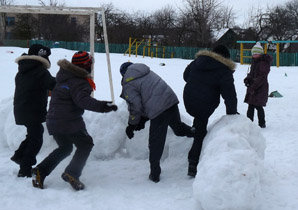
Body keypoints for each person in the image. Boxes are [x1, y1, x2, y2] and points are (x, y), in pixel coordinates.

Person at [32, 51, 118, 190]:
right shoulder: (79, 82)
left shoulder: (64, 77)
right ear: (86, 66)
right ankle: (71, 173)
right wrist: (104, 106)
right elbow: (83, 101)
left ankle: (40, 170)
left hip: (53, 120)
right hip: (68, 121)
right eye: (90, 65)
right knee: (86, 144)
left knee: (65, 148)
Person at [120, 62, 195, 183]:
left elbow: (136, 106)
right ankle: (197, 133)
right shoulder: (147, 72)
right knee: (178, 128)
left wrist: (132, 125)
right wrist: (143, 119)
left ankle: (154, 174)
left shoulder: (129, 82)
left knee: (155, 143)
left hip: (159, 111)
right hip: (171, 102)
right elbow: (149, 96)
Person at [183, 45, 238, 177]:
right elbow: (229, 95)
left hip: (189, 99)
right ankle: (193, 162)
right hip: (205, 103)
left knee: (198, 122)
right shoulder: (224, 70)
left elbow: (186, 76)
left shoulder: (198, 61)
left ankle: (194, 131)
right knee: (200, 131)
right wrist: (232, 114)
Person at [11, 44, 56, 178]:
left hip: (21, 108)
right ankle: (25, 168)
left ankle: (20, 156)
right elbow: (53, 84)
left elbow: (33, 86)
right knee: (36, 138)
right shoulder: (40, 71)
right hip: (33, 109)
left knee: (32, 135)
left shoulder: (23, 70)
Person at [244, 43, 272, 128]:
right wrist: (248, 79)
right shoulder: (254, 62)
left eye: (256, 53)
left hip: (260, 88)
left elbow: (262, 77)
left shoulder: (263, 63)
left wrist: (254, 86)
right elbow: (252, 73)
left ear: (260, 54)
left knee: (259, 106)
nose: (254, 55)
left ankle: (262, 123)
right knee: (251, 105)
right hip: (253, 87)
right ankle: (249, 123)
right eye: (253, 54)